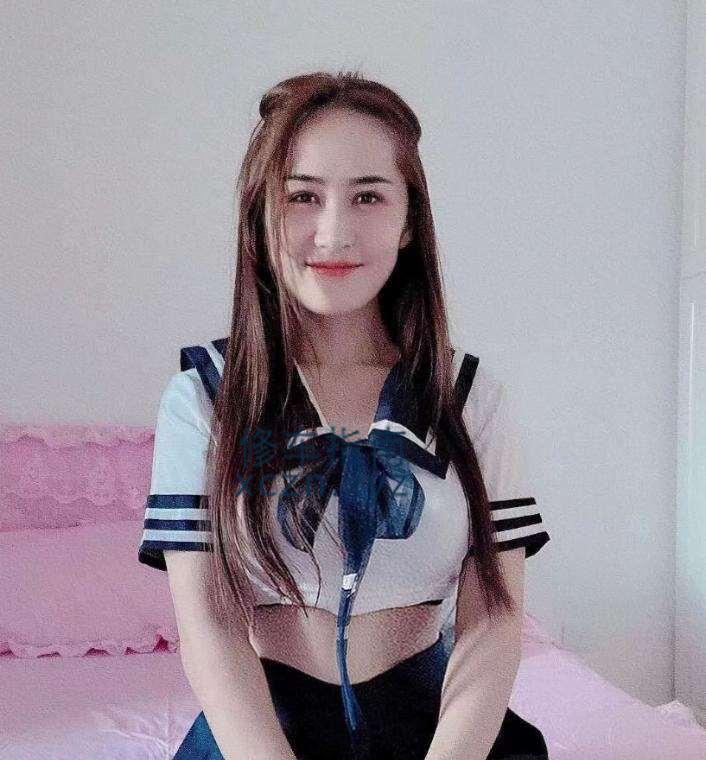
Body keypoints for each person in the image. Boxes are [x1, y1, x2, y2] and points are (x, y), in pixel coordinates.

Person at [138, 70, 551, 760]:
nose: (333, 233)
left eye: (368, 196)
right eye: (302, 196)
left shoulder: (468, 395)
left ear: (409, 220)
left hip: (439, 725)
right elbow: (209, 620)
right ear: (262, 213)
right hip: (260, 731)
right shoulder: (204, 397)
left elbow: (493, 618)